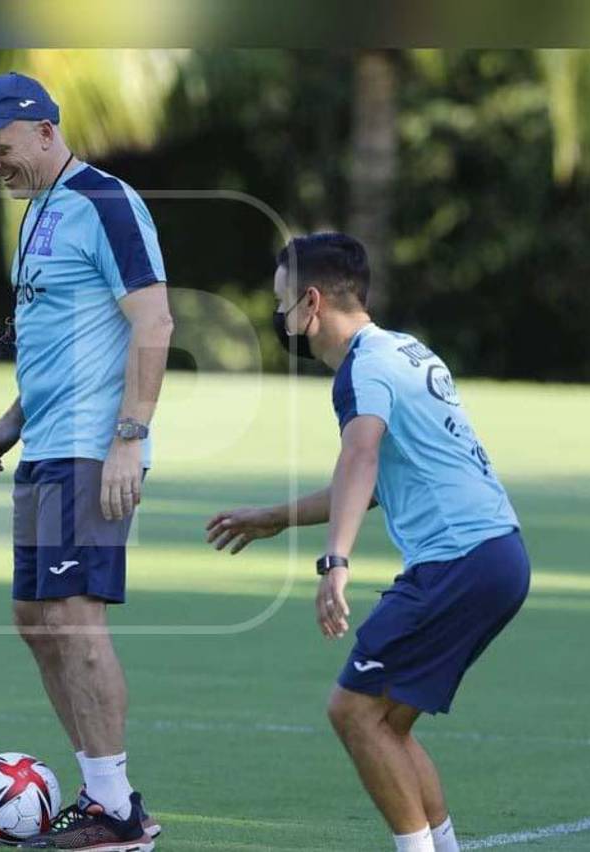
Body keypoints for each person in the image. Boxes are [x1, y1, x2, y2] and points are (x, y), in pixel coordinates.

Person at [206, 233, 530, 852]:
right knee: (387, 724)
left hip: (458, 562)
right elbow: (376, 480)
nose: (279, 318)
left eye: (281, 305)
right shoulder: (406, 351)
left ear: (311, 302)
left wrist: (335, 561)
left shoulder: (363, 368)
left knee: (352, 712)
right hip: (498, 556)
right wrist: (276, 517)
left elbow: (361, 454)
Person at [0, 72, 172, 851]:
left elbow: (154, 320)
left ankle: (117, 812)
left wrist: (130, 437)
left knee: (74, 622)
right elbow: (57, 341)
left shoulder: (106, 202)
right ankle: (102, 797)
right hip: (48, 445)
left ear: (43, 131)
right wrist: (11, 418)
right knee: (36, 623)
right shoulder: (38, 210)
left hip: (92, 449)